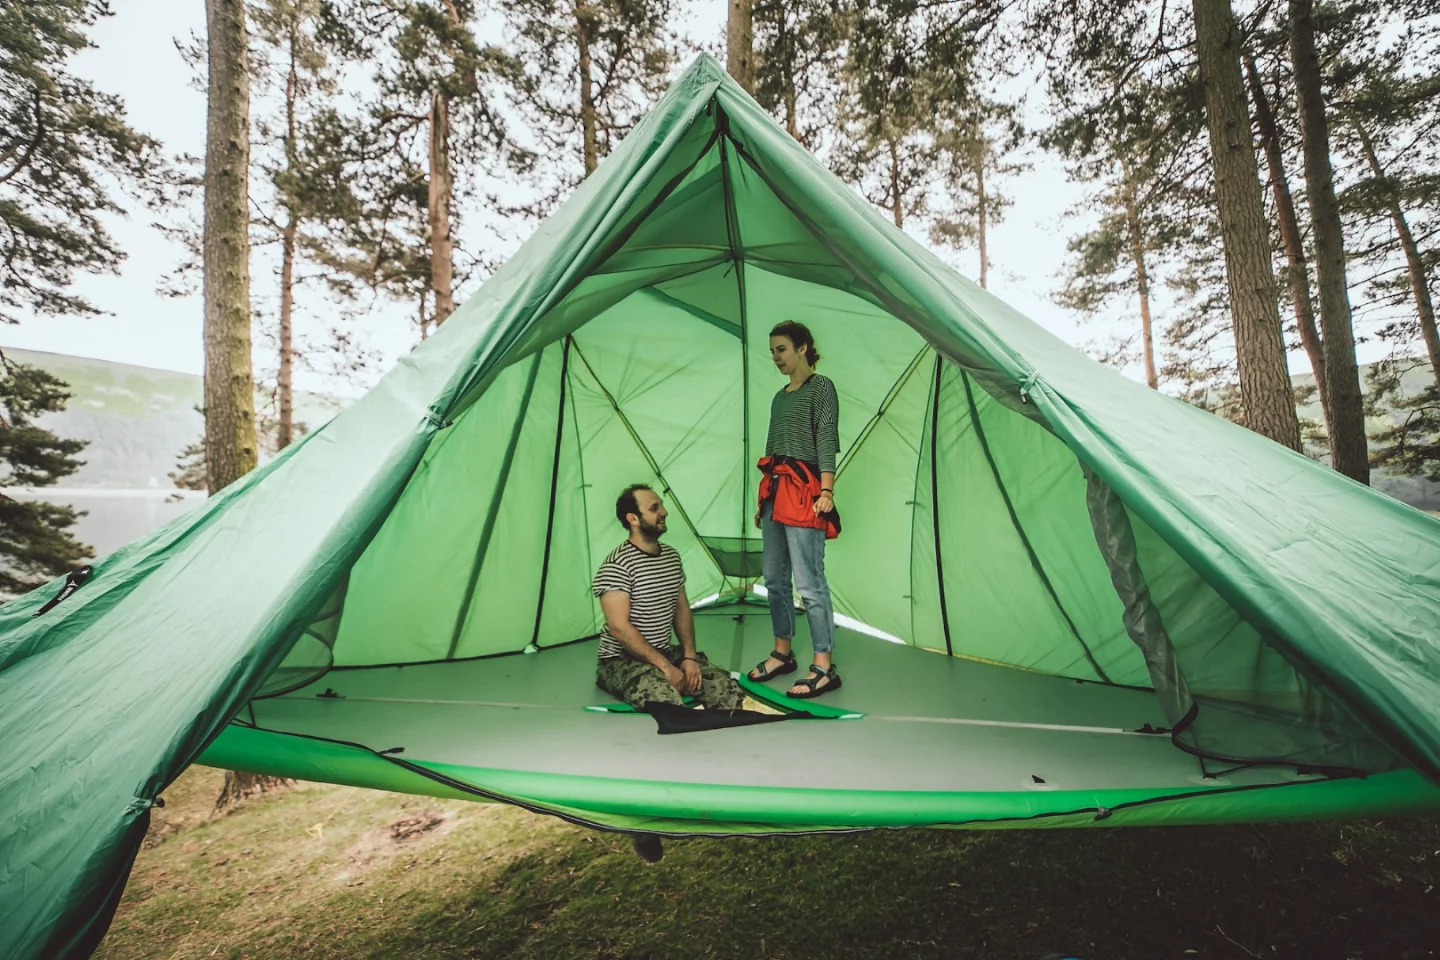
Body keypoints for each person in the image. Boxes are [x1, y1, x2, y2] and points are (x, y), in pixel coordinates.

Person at [748, 320, 842, 699]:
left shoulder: (821, 388)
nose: (776, 357)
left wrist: (827, 490)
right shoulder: (779, 397)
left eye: (781, 349)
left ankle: (823, 666)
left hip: (807, 490)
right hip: (775, 490)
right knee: (773, 578)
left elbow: (826, 438)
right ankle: (782, 653)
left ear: (803, 348)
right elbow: (772, 449)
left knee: (809, 582)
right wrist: (762, 502)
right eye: (772, 351)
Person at [594, 483, 745, 711]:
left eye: (661, 506)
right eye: (654, 508)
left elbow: (681, 609)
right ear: (633, 519)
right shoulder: (617, 565)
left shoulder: (671, 558)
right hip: (620, 660)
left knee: (727, 691)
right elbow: (619, 628)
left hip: (663, 651)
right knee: (667, 702)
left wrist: (689, 658)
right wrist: (666, 668)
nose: (664, 512)